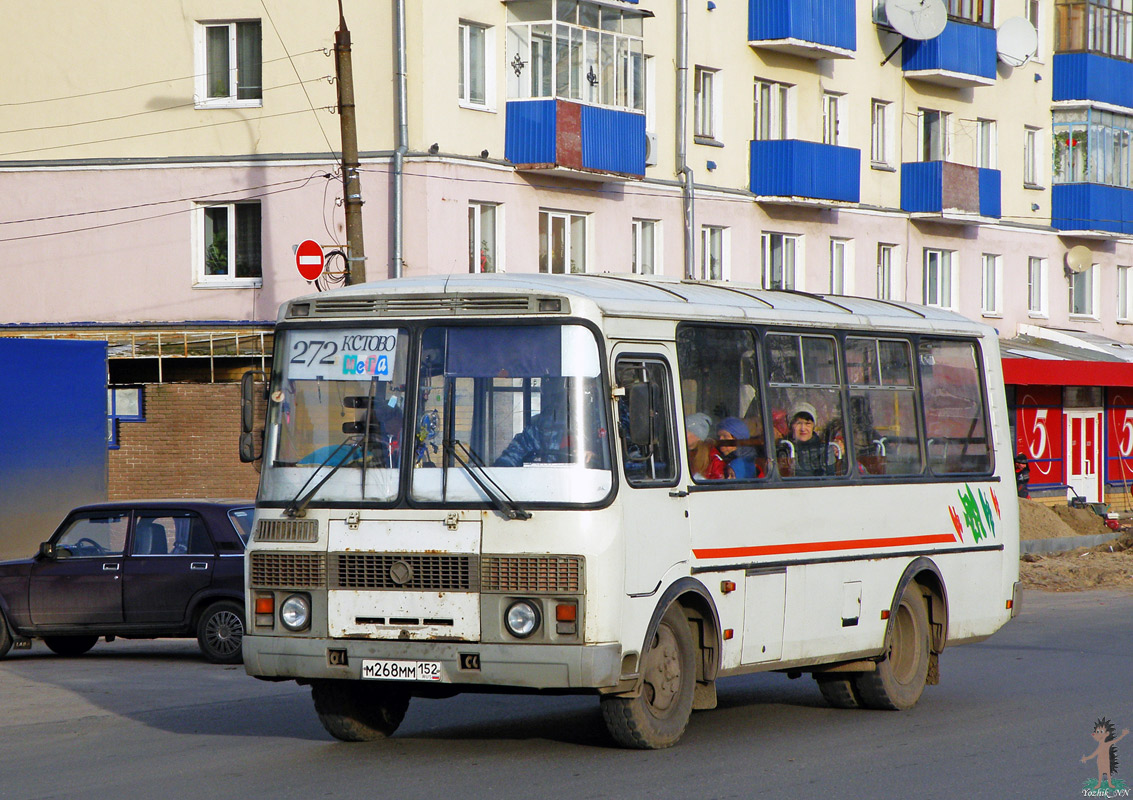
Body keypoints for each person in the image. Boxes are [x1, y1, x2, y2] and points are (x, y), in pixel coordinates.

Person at [494, 379, 602, 467]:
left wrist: (595, 457)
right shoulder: (542, 425)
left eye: (587, 387)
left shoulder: (604, 421)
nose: (580, 392)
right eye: (571, 385)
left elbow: (615, 458)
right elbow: (513, 455)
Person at [779, 402, 835, 477]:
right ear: (791, 425)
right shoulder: (782, 449)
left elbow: (833, 477)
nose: (803, 428)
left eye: (807, 423)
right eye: (798, 423)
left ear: (813, 426)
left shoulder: (825, 449)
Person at [685, 412, 725, 480]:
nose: (682, 435)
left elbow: (718, 485)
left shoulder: (713, 459)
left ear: (698, 436)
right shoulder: (680, 454)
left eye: (687, 431)